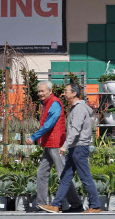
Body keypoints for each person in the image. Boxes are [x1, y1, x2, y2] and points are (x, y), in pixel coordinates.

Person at [39, 83, 101, 213]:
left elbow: (75, 130)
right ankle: (56, 205)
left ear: (74, 93)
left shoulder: (79, 109)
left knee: (85, 177)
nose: (64, 93)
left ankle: (95, 206)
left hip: (79, 147)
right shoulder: (75, 108)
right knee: (66, 177)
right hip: (75, 147)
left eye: (66, 91)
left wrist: (64, 145)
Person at [26, 81, 82, 213]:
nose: (40, 93)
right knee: (42, 173)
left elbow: (49, 124)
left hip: (56, 144)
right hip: (49, 144)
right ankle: (41, 204)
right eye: (38, 91)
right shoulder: (46, 103)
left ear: (50, 91)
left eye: (42, 91)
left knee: (63, 175)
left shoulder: (55, 103)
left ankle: (76, 205)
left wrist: (34, 137)